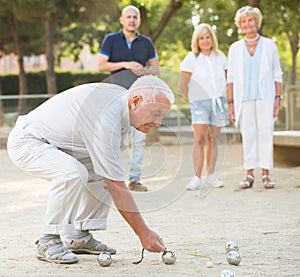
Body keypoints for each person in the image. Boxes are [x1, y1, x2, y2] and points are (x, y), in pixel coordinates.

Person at [7, 75, 174, 264]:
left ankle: (78, 237)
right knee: (73, 172)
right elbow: (116, 183)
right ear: (136, 101)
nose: (159, 122)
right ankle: (48, 240)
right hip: (28, 141)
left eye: (163, 116)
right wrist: (144, 233)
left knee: (101, 173)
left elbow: (109, 174)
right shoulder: (106, 115)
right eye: (156, 113)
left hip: (59, 146)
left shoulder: (123, 107)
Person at [98, 5, 159, 192]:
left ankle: (134, 180)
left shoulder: (146, 42)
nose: (132, 20)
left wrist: (145, 70)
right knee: (112, 139)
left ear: (139, 20)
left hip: (140, 100)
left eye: (135, 17)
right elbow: (101, 65)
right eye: (129, 17)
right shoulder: (111, 40)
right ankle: (110, 180)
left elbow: (156, 68)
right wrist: (126, 64)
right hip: (115, 96)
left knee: (139, 140)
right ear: (122, 20)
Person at [227, 6, 283, 189]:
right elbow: (231, 79)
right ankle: (249, 173)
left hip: (265, 98)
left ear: (257, 22)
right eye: (244, 21)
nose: (248, 24)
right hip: (243, 99)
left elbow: (277, 74)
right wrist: (231, 104)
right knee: (248, 134)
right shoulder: (235, 48)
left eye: (250, 20)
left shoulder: (269, 45)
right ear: (240, 25)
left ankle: (266, 174)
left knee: (266, 133)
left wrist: (278, 98)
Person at [179, 23, 229, 191]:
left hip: (218, 101)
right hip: (199, 102)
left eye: (208, 37)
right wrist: (191, 100)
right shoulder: (191, 58)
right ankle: (196, 177)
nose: (205, 40)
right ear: (197, 40)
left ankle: (211, 175)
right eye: (202, 38)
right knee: (199, 138)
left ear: (212, 39)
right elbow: (183, 84)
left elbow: (228, 80)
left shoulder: (220, 56)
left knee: (213, 139)